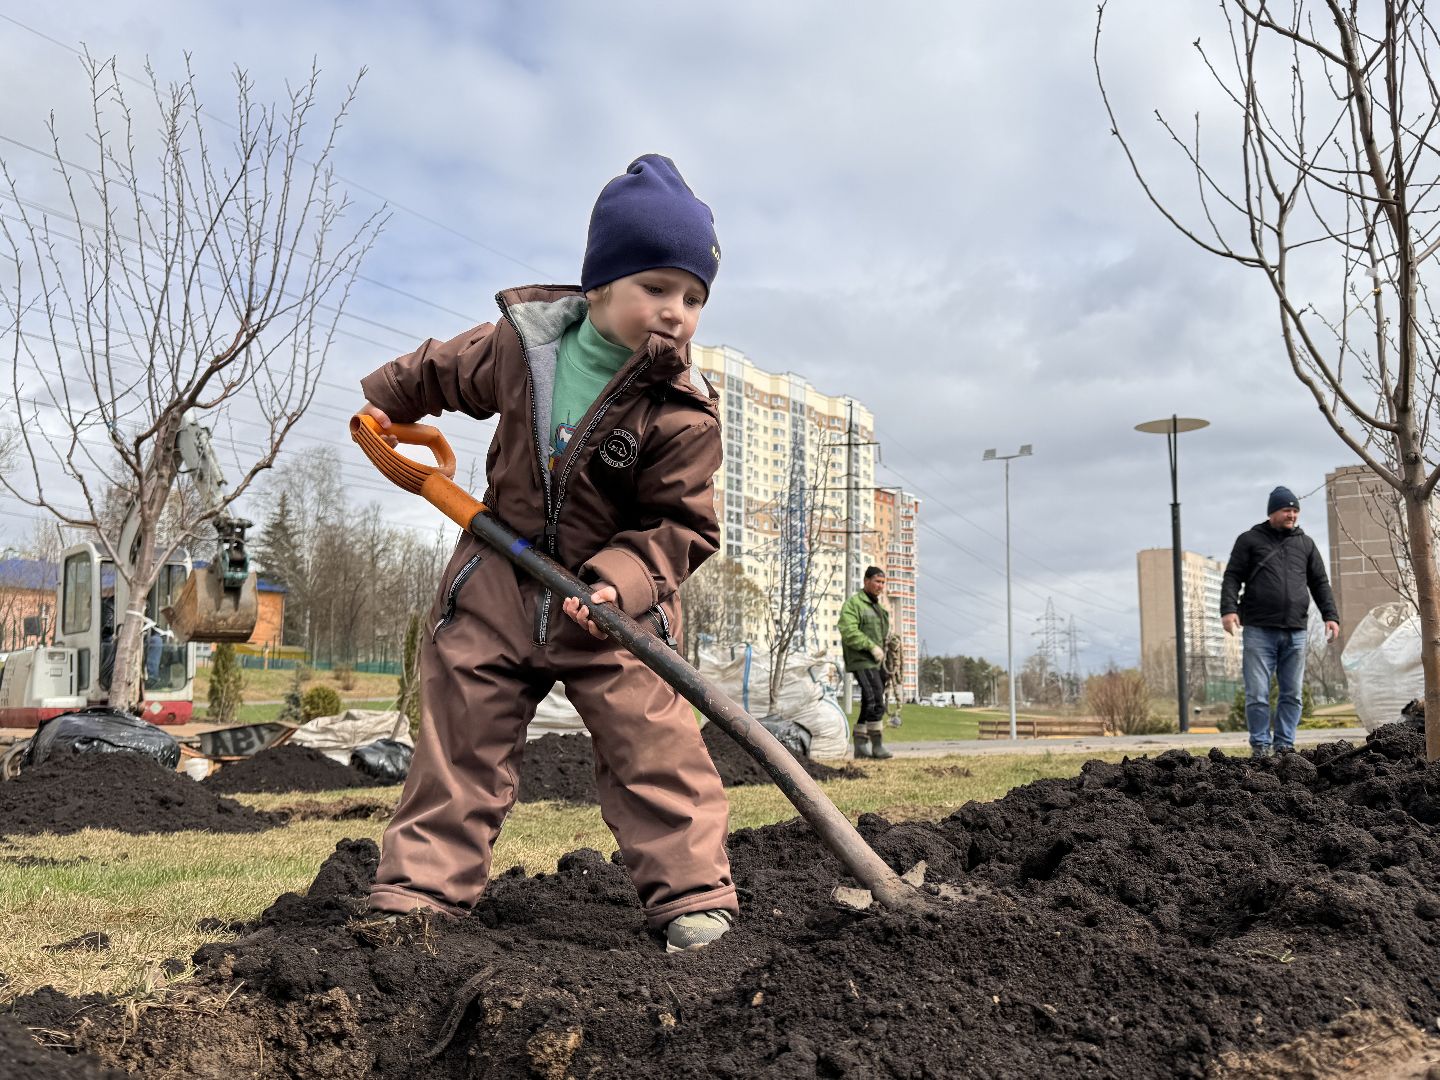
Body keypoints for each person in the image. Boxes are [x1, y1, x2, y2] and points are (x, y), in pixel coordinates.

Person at [357, 155, 736, 953]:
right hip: (495, 586)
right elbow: (441, 369)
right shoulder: (521, 347)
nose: (677, 312)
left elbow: (682, 527)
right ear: (598, 285)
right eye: (656, 288)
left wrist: (620, 584)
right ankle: (421, 894)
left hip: (611, 612)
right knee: (458, 743)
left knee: (654, 748)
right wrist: (387, 401)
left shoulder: (681, 414)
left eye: (694, 296)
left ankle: (693, 896)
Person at [1220, 485, 1340, 758]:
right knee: (1258, 694)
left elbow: (1320, 582)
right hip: (1258, 629)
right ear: (1273, 511)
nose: (1293, 515)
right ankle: (1261, 746)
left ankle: (1285, 746)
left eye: (1296, 510)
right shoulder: (1249, 540)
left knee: (1292, 694)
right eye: (1287, 509)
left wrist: (1330, 616)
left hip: (1296, 630)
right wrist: (1228, 609)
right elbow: (1232, 576)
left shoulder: (1305, 544)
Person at [838, 566, 893, 759]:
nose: (880, 586)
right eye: (877, 581)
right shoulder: (854, 604)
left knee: (869, 701)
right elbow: (848, 631)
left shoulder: (878, 608)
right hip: (862, 659)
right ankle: (877, 745)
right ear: (866, 581)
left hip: (877, 662)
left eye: (883, 583)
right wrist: (871, 647)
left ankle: (861, 745)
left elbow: (884, 635)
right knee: (875, 698)